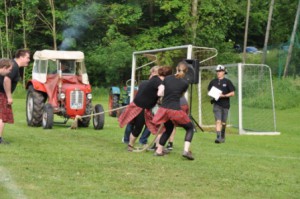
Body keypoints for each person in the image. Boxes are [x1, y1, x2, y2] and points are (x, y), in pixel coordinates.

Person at [118, 66, 172, 151]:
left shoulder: (153, 80)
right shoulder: (158, 82)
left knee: (157, 127)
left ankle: (157, 147)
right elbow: (161, 92)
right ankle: (132, 146)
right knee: (139, 128)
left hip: (142, 107)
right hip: (141, 108)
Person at [152, 61, 195, 160]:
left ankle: (159, 151)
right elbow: (180, 95)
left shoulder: (167, 78)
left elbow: (160, 93)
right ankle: (185, 151)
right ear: (186, 70)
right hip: (174, 109)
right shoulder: (185, 83)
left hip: (163, 109)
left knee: (169, 128)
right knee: (189, 128)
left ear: (176, 68)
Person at [121, 66, 160, 145]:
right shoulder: (151, 83)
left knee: (135, 123)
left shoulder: (144, 83)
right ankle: (139, 140)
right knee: (139, 124)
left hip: (140, 106)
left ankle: (130, 140)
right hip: (141, 107)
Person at [0, 49, 31, 144]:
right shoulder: (14, 66)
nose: (29, 60)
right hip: (2, 93)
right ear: (21, 57)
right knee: (2, 116)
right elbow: (7, 80)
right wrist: (9, 96)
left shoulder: (13, 65)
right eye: (27, 57)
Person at [207, 65, 235, 144]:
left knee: (223, 122)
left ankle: (223, 135)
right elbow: (209, 92)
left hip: (225, 105)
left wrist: (224, 95)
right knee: (218, 121)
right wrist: (212, 94)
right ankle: (218, 137)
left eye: (220, 71)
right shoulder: (213, 82)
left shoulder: (227, 82)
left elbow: (232, 93)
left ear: (223, 72)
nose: (218, 73)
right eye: (217, 71)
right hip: (216, 104)